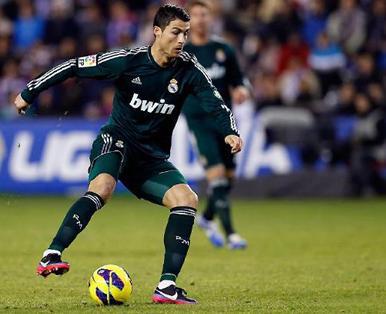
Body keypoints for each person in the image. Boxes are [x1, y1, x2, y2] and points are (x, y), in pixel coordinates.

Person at [14, 4, 243, 305]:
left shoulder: (188, 69)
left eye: (185, 34)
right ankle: (52, 253)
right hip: (116, 142)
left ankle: (167, 287)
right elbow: (73, 65)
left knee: (187, 199)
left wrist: (230, 130)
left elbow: (215, 102)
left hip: (150, 159)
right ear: (157, 32)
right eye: (176, 32)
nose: (182, 40)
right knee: (102, 189)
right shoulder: (127, 60)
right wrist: (30, 92)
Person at [182, 0, 249, 250]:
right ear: (189, 21)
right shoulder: (183, 53)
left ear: (211, 19)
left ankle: (208, 218)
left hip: (224, 119)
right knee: (217, 176)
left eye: (204, 15)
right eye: (195, 15)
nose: (200, 19)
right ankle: (231, 234)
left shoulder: (224, 48)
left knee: (229, 177)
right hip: (198, 120)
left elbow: (238, 79)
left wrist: (242, 88)